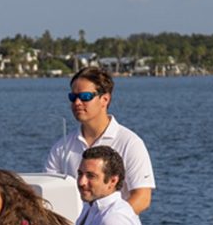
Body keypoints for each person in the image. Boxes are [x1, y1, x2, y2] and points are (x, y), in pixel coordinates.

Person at [44, 66, 155, 215]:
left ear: (105, 99)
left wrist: (105, 223)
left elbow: (142, 198)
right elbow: (48, 197)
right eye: (73, 97)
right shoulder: (60, 148)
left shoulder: (130, 143)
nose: (77, 102)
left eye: (85, 97)